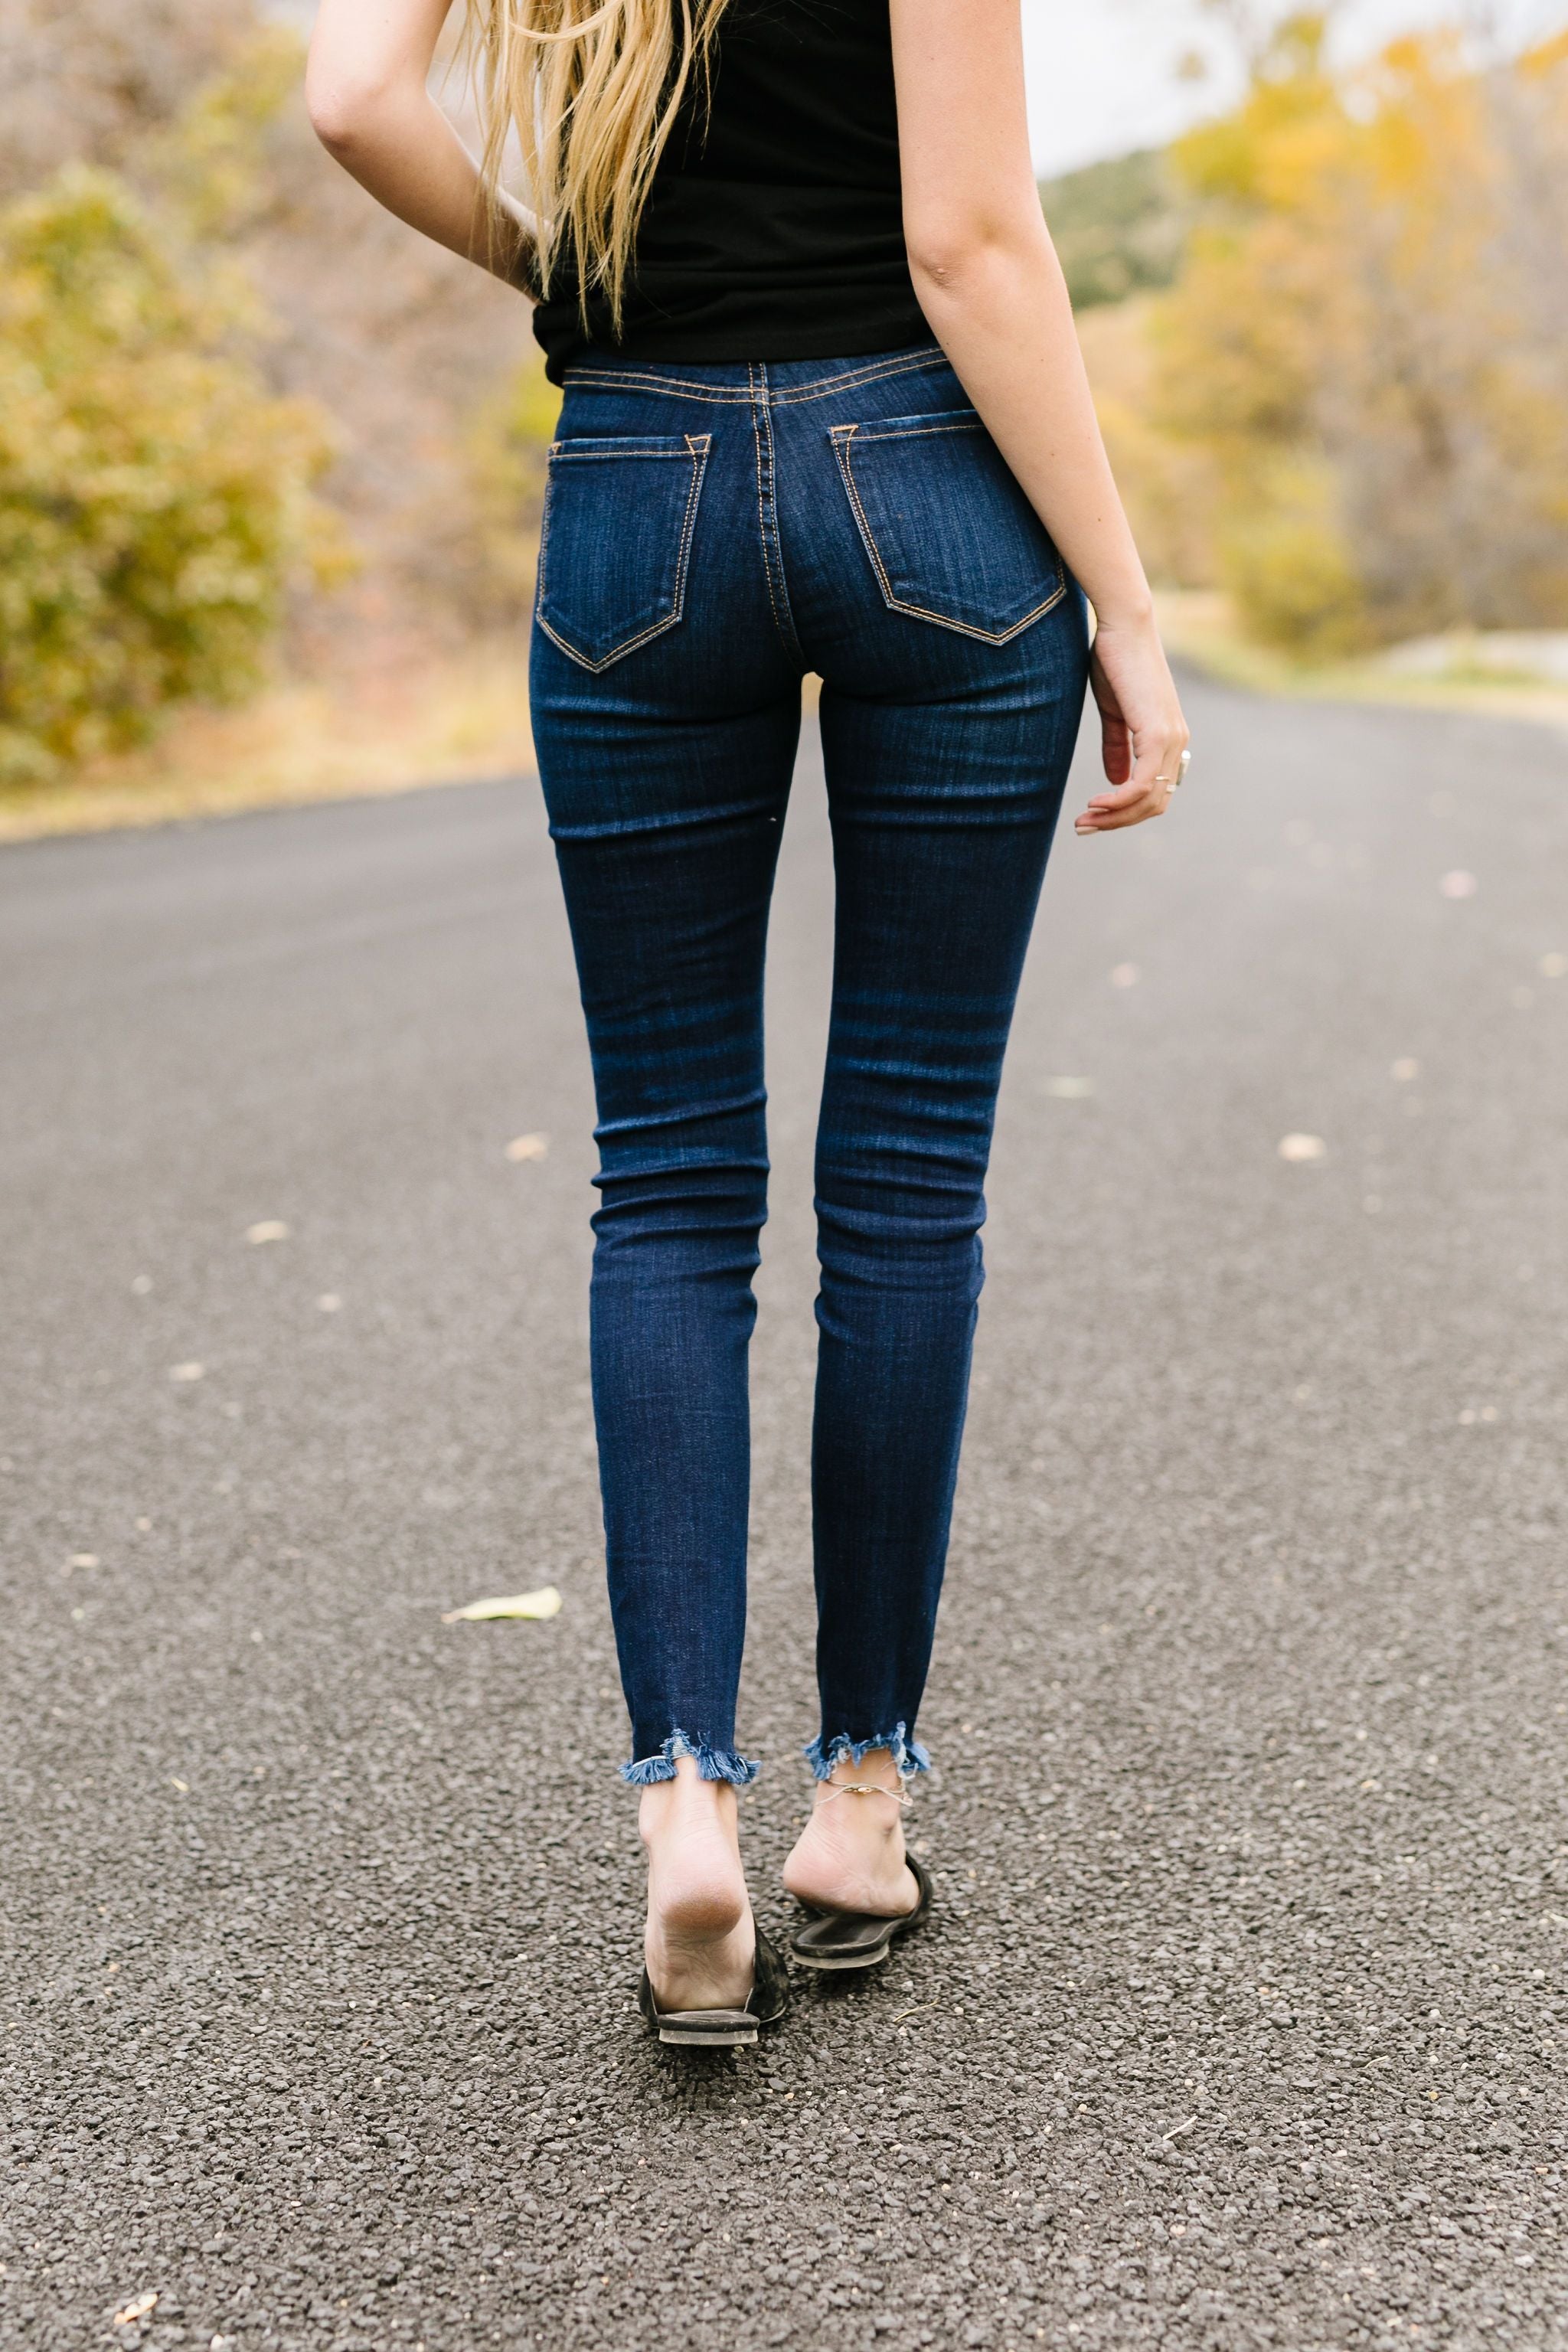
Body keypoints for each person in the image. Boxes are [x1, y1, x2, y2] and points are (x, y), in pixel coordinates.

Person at [307, 0, 1190, 2047]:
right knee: (903, 1174)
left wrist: (588, 269)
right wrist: (1127, 608)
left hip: (637, 481)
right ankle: (857, 1803)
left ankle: (684, 1804)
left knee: (673, 1184)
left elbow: (351, 101)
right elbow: (971, 244)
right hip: (928, 485)